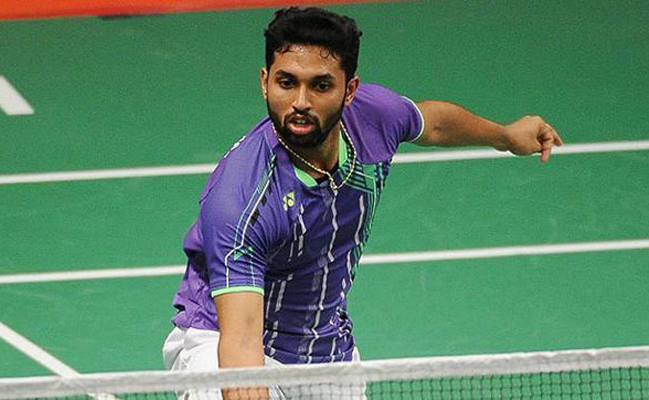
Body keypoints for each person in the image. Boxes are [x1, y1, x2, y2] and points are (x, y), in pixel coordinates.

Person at [163, 6, 563, 399]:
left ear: (350, 90)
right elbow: (240, 347)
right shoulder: (241, 201)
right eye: (287, 83)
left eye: (320, 86)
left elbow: (435, 123)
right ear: (265, 82)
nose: (300, 101)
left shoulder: (374, 118)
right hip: (224, 343)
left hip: (327, 353)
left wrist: (504, 136)